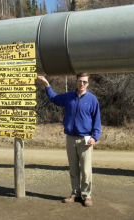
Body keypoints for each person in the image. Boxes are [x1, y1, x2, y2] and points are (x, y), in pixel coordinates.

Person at [38, 72, 101, 207]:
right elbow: (54, 98)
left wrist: (95, 137)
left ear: (88, 84)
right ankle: (75, 193)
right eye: (80, 81)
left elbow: (97, 120)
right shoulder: (68, 97)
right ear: (76, 82)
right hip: (70, 138)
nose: (82, 84)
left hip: (86, 139)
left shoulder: (92, 99)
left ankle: (87, 195)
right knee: (73, 168)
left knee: (85, 170)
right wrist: (47, 84)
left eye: (84, 82)